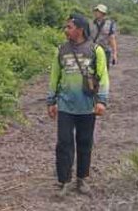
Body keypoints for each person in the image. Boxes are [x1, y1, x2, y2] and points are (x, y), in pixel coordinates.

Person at [47, 13, 109, 198]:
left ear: (80, 29)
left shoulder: (95, 50)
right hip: (65, 105)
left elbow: (103, 76)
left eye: (69, 27)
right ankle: (64, 181)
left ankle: (82, 179)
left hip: (87, 106)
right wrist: (51, 101)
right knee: (64, 143)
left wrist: (102, 101)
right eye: (66, 27)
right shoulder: (61, 50)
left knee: (84, 142)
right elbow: (54, 78)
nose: (66, 30)